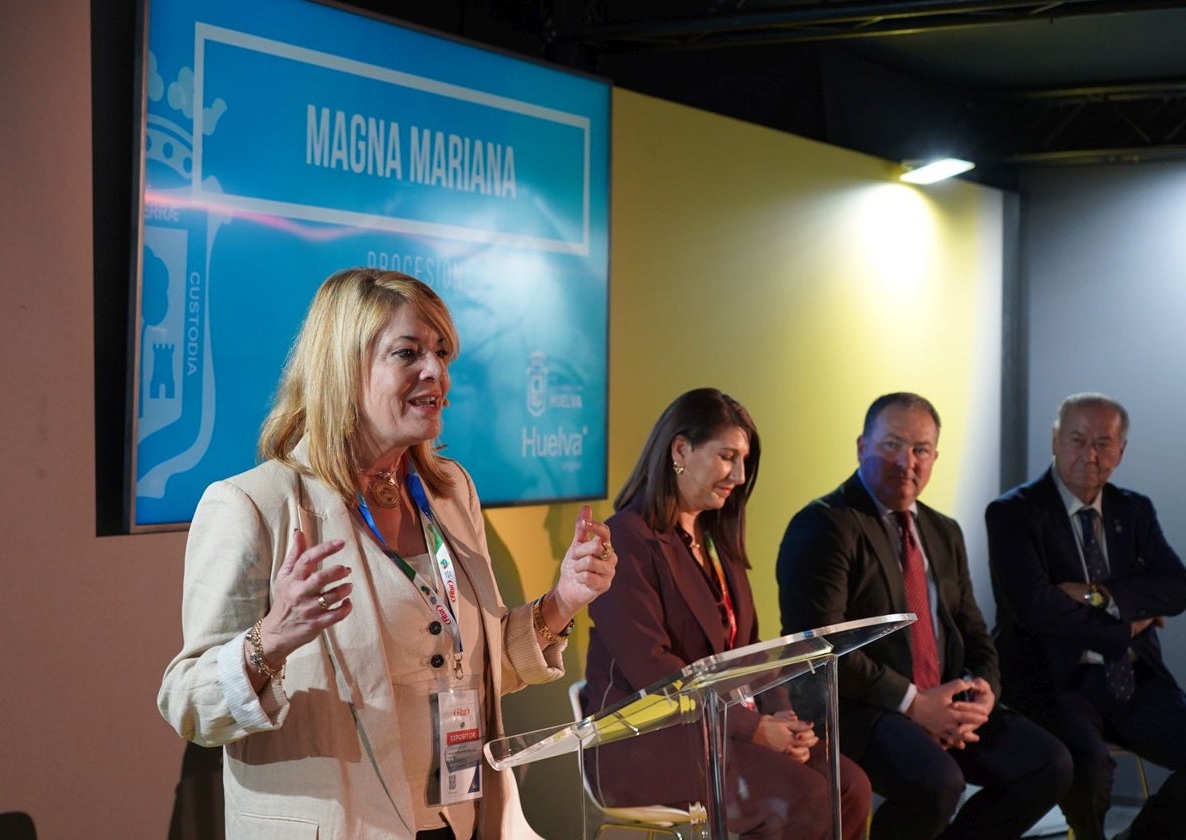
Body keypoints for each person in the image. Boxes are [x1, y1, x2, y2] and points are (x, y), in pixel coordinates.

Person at [157, 268, 618, 840]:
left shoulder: (450, 493)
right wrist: (273, 636)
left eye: (442, 353)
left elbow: (474, 667)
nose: (437, 373)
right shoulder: (252, 505)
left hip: (467, 820)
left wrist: (562, 602)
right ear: (343, 367)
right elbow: (187, 704)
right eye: (409, 353)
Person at [777, 391, 1072, 840]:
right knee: (937, 783)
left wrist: (982, 694)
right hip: (862, 707)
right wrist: (915, 704)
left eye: (921, 450)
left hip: (942, 699)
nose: (906, 462)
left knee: (1048, 765)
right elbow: (820, 646)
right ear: (861, 447)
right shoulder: (826, 524)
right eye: (891, 445)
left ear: (935, 455)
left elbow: (972, 627)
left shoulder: (942, 530)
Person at [583, 388, 872, 840]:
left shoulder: (715, 538)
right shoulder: (625, 540)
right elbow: (654, 673)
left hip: (726, 732)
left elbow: (753, 650)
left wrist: (786, 724)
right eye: (726, 457)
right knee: (801, 799)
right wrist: (755, 728)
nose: (738, 475)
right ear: (680, 450)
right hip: (649, 745)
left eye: (743, 461)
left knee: (851, 786)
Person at [986, 392, 1186, 840]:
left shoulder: (1134, 509)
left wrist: (1098, 595)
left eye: (1102, 442)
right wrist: (1127, 621)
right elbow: (1036, 607)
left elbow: (1176, 586)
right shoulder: (1013, 514)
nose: (1089, 455)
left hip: (1132, 678)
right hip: (1057, 681)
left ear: (1121, 450)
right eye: (1077, 440)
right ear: (1055, 440)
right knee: (1090, 768)